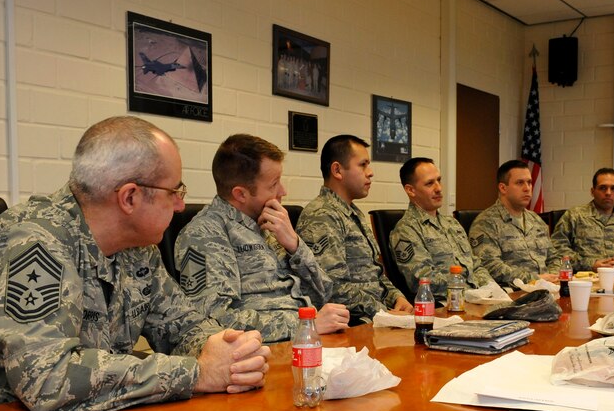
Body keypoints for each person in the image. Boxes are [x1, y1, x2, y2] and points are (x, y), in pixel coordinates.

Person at [0, 116, 269, 411]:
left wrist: (229, 351)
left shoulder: (139, 248)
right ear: (130, 197)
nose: (180, 206)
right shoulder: (37, 239)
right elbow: (46, 379)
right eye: (174, 191)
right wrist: (196, 373)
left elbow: (183, 326)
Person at [175, 134, 349, 342]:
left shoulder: (270, 223)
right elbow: (212, 320)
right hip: (264, 349)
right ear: (241, 194)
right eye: (274, 184)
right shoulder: (204, 234)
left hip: (308, 339)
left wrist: (295, 246)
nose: (283, 191)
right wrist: (303, 324)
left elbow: (325, 294)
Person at [296, 134, 413, 324]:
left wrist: (396, 298)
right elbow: (333, 288)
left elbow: (374, 273)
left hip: (374, 315)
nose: (370, 172)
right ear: (337, 170)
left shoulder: (352, 212)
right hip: (353, 321)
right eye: (363, 165)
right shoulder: (321, 216)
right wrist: (384, 313)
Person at [390, 157, 495, 300]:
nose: (438, 188)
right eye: (429, 183)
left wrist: (491, 289)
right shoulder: (406, 230)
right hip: (446, 303)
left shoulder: (452, 224)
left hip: (476, 298)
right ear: (411, 190)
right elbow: (421, 280)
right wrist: (469, 290)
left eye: (439, 180)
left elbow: (475, 266)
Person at [469, 160, 560, 285]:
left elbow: (553, 257)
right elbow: (490, 266)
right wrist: (535, 279)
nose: (527, 188)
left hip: (548, 287)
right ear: (503, 188)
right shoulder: (486, 223)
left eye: (529, 182)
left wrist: (554, 277)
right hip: (514, 290)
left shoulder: (536, 220)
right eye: (520, 183)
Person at [550, 167, 614, 271]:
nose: (608, 193)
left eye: (613, 188)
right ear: (592, 191)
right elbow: (557, 249)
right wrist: (590, 264)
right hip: (584, 278)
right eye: (603, 188)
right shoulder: (574, 216)